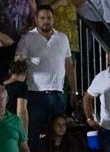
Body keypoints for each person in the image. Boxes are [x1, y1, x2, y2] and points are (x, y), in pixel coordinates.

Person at [15, 5, 77, 143]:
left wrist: (74, 90)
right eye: (42, 18)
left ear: (53, 19)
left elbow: (69, 65)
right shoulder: (27, 38)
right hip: (35, 94)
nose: (46, 21)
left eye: (49, 18)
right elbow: (18, 66)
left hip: (57, 94)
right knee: (35, 132)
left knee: (56, 135)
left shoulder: (62, 38)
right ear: (36, 20)